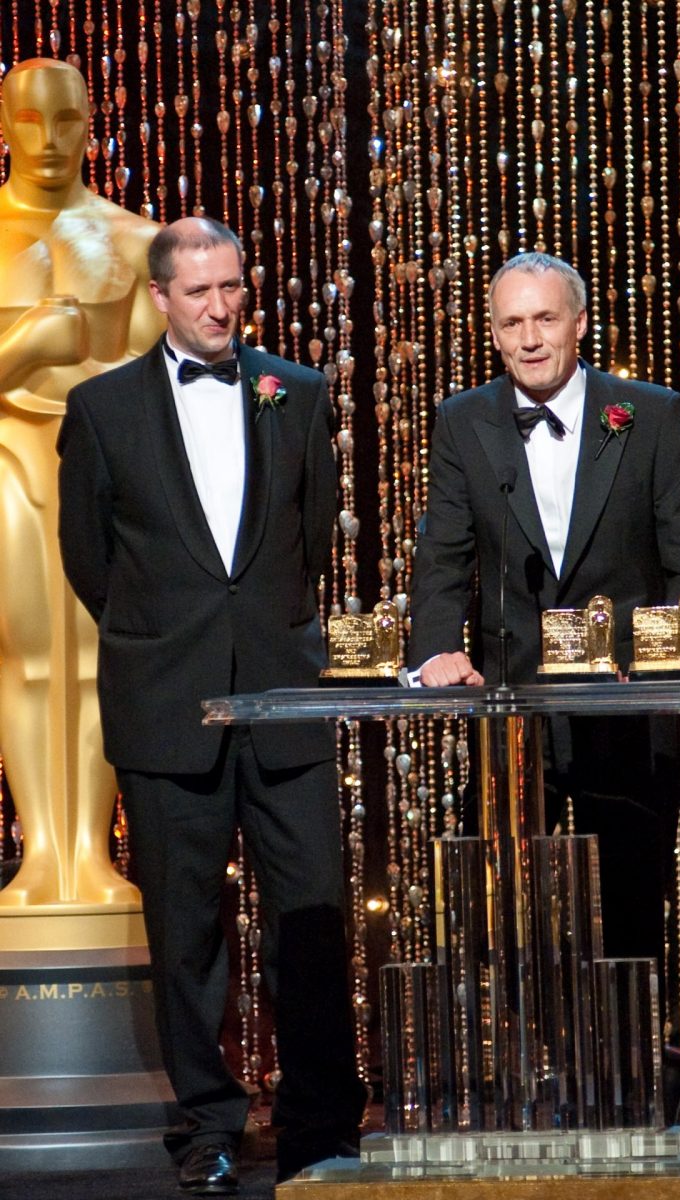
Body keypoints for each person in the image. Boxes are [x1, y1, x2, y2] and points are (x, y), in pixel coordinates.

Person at [57, 216, 366, 1194]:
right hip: (165, 703)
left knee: (311, 919)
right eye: (201, 291)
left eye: (233, 286)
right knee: (187, 932)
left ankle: (320, 1130)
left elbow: (312, 540)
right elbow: (89, 560)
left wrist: (260, 638)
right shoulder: (103, 408)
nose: (223, 306)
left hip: (287, 698)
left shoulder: (297, 393)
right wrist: (172, 641)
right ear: (159, 299)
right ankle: (209, 1127)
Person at [408, 253, 680, 1116]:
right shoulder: (463, 421)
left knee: (627, 901)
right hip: (511, 712)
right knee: (512, 914)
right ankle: (557, 1065)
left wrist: (654, 652)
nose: (530, 338)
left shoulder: (649, 416)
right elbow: (442, 557)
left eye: (544, 319)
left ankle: (629, 1077)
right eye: (511, 324)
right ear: (494, 333)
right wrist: (435, 649)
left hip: (625, 706)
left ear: (579, 323)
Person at [0, 57, 162, 909]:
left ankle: (90, 856)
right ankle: (42, 854)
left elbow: (155, 375)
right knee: (26, 658)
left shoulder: (135, 240)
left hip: (100, 467)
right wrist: (26, 346)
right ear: (5, 124)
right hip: (7, 457)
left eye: (66, 120)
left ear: (91, 120)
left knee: (101, 656)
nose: (51, 140)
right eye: (30, 121)